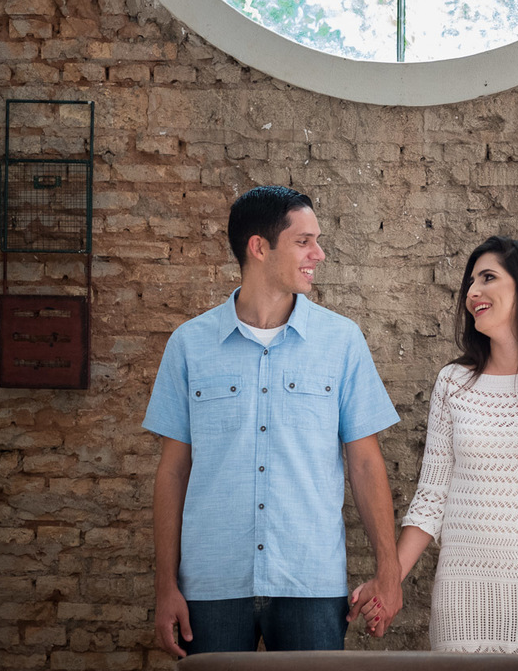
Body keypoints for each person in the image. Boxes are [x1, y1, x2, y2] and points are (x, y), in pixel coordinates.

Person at [144, 186, 403, 657]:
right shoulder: (188, 345)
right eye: (304, 241)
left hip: (311, 582)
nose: (318, 254)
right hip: (210, 583)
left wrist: (389, 571)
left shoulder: (341, 341)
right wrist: (166, 587)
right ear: (259, 247)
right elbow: (172, 471)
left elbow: (365, 464)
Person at [362, 236, 518, 669]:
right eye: (471, 281)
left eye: (488, 277)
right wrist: (388, 582)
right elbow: (431, 501)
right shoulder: (454, 383)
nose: (472, 291)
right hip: (464, 599)